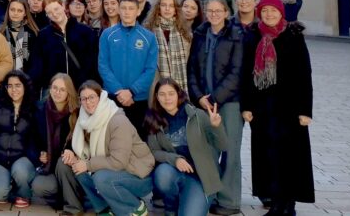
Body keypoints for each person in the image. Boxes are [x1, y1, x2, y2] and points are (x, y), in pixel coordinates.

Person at [241, 0, 314, 216]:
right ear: (259, 13)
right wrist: (246, 106)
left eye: (273, 11)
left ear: (281, 12)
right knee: (267, 156)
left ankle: (289, 204)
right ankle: (274, 203)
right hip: (263, 109)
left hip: (290, 109)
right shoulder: (253, 36)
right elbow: (245, 74)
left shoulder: (293, 35)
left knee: (290, 157)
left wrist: (305, 110)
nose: (269, 15)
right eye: (265, 11)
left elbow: (304, 74)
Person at [186, 0, 245, 216]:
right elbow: (192, 68)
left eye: (218, 11)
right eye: (209, 11)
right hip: (203, 101)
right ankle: (209, 196)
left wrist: (215, 98)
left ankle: (229, 200)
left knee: (229, 150)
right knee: (207, 151)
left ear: (226, 13)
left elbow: (236, 72)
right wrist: (199, 96)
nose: (213, 15)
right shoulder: (200, 34)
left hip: (229, 102)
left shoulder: (236, 35)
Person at [69, 80, 154, 216]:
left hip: (138, 176)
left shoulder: (117, 121)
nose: (88, 102)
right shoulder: (85, 120)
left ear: (101, 97)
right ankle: (104, 209)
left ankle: (136, 208)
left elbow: (119, 162)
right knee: (80, 171)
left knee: (100, 177)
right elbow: (85, 152)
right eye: (84, 99)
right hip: (116, 173)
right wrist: (79, 161)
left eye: (92, 97)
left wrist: (88, 164)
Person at [146, 78, 228, 216]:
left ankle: (189, 200)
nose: (167, 98)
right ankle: (171, 205)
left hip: (200, 179)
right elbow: (153, 151)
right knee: (162, 174)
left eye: (171, 93)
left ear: (179, 94)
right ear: (156, 97)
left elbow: (223, 145)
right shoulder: (154, 119)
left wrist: (216, 127)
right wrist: (175, 159)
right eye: (162, 94)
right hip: (174, 173)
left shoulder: (197, 115)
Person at [98, 0, 158, 139]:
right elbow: (103, 65)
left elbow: (150, 69)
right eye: (123, 8)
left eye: (131, 8)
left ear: (138, 11)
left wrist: (131, 91)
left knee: (138, 139)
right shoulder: (107, 34)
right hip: (113, 97)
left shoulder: (148, 37)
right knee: (113, 139)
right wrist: (119, 91)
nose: (127, 12)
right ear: (118, 10)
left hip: (138, 98)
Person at [0, 70, 37, 208]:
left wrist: (35, 156)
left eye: (18, 85)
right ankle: (7, 184)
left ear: (25, 87)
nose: (13, 89)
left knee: (20, 172)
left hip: (22, 158)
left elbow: (37, 139)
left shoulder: (34, 108)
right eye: (9, 86)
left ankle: (23, 193)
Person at [30, 73, 84, 213]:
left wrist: (72, 149)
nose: (57, 92)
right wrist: (39, 154)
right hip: (50, 166)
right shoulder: (41, 109)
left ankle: (73, 204)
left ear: (69, 92)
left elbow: (83, 139)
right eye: (54, 88)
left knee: (63, 161)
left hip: (73, 164)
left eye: (62, 89)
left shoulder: (77, 112)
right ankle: (66, 196)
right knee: (39, 186)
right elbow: (32, 139)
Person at [35, 0, 99, 90]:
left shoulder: (85, 31)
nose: (55, 14)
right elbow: (38, 64)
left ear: (63, 6)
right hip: (55, 89)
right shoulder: (43, 35)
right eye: (49, 12)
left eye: (56, 9)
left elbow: (93, 60)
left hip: (81, 87)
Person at [145, 0, 192, 92]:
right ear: (158, 8)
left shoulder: (186, 34)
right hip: (155, 85)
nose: (167, 9)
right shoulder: (147, 32)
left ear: (175, 10)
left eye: (171, 6)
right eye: (163, 5)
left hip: (179, 85)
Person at [0, 0, 39, 75]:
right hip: (5, 78)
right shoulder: (1, 33)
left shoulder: (34, 33)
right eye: (12, 10)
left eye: (19, 10)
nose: (15, 13)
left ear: (25, 13)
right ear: (8, 11)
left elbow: (36, 62)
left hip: (27, 79)